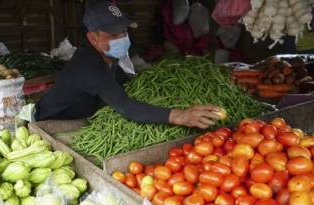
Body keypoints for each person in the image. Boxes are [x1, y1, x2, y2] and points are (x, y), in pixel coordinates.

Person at [21, 1, 222, 129]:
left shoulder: (108, 55)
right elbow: (126, 107)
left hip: (81, 117)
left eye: (124, 31)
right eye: (114, 34)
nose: (123, 38)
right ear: (93, 38)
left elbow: (122, 83)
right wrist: (181, 115)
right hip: (51, 123)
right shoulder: (88, 66)